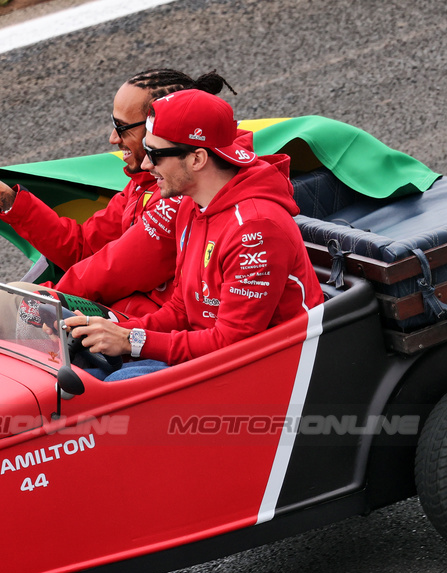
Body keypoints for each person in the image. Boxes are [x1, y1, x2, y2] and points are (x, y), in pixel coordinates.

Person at [0, 69, 235, 318]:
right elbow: (83, 248)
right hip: (139, 329)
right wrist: (7, 198)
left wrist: (40, 298)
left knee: (22, 315)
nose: (113, 137)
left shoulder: (182, 191)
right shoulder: (143, 184)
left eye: (122, 126)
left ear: (162, 126)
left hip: (160, 342)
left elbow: (108, 273)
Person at [65, 89, 323, 381]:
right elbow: (182, 308)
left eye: (155, 155)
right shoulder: (191, 204)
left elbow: (231, 343)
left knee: (100, 396)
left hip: (272, 370)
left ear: (197, 159)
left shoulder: (256, 229)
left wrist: (131, 341)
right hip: (213, 358)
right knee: (75, 357)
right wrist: (115, 330)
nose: (147, 165)